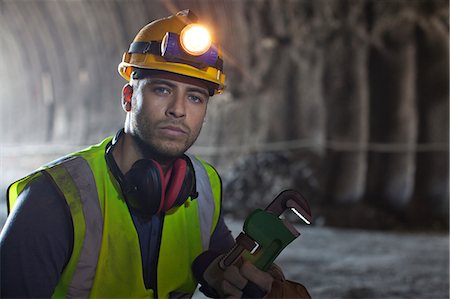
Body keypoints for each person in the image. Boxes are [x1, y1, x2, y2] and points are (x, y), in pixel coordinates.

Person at [1, 10, 310, 298]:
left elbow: (219, 262)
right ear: (128, 98)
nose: (178, 110)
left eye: (195, 97)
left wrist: (232, 276)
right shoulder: (54, 199)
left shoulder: (203, 187)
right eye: (161, 89)